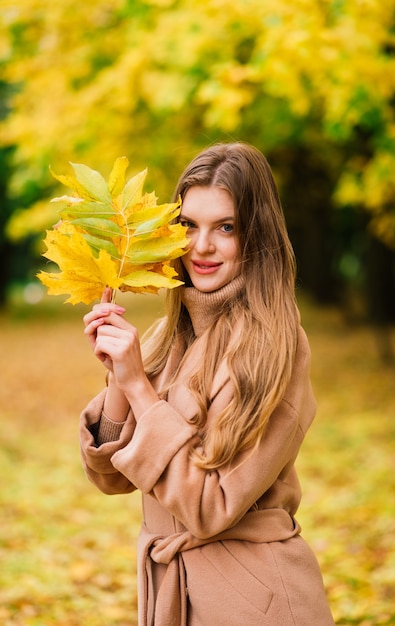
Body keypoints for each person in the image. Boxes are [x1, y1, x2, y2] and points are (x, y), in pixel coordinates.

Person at [80, 142, 335, 625]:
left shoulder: (277, 345)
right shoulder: (166, 336)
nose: (201, 247)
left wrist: (138, 386)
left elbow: (211, 507)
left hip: (253, 601)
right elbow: (109, 476)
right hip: (173, 596)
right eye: (189, 226)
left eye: (225, 227)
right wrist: (119, 376)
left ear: (256, 236)